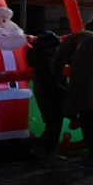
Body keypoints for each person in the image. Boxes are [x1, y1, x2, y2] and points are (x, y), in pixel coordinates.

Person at [53, 17, 93, 167]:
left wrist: (56, 73)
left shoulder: (78, 36)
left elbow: (60, 55)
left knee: (85, 113)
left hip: (81, 77)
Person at [26, 30, 67, 160]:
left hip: (48, 98)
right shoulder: (46, 62)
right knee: (54, 126)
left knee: (52, 126)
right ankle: (45, 151)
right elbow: (52, 82)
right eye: (56, 46)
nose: (58, 49)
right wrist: (66, 92)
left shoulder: (41, 61)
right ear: (49, 47)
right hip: (52, 99)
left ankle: (40, 149)